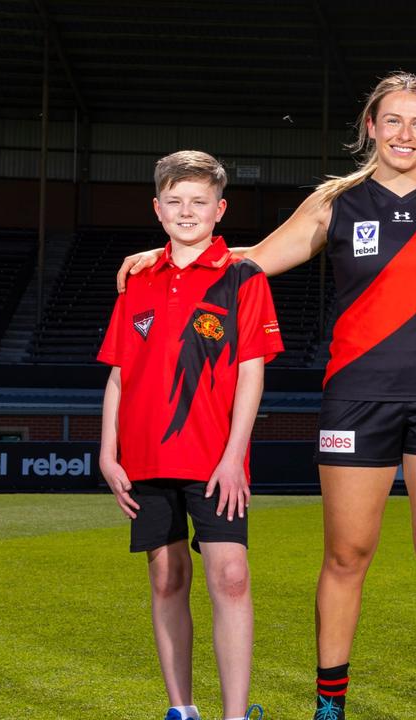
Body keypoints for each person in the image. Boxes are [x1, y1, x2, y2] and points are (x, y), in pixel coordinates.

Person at [117, 73, 416, 720]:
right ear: (370, 127)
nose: (404, 134)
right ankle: (331, 704)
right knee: (347, 555)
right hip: (356, 398)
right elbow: (255, 260)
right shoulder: (335, 203)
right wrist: (167, 254)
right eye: (392, 121)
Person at [99, 150, 280, 720]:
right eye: (174, 201)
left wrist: (234, 457)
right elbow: (119, 374)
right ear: (157, 209)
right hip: (145, 458)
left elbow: (252, 372)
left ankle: (235, 714)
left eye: (199, 202)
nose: (186, 211)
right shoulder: (136, 281)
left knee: (230, 575)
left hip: (214, 461)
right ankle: (182, 709)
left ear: (219, 208)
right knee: (167, 575)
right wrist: (107, 453)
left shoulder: (243, 278)